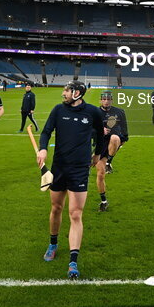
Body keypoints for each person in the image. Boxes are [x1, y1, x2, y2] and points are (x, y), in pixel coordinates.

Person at [37, 81, 104, 279]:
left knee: (75, 214)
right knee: (56, 208)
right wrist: (42, 148)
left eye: (67, 90)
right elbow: (46, 131)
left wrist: (97, 154)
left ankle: (73, 262)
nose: (63, 94)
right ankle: (53, 243)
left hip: (80, 169)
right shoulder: (58, 110)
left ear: (77, 93)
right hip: (59, 168)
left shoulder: (92, 112)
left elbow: (100, 135)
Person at [96, 90, 129, 212]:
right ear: (100, 100)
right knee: (100, 174)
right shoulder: (95, 112)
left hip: (113, 142)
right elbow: (88, 129)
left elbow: (125, 129)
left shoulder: (119, 112)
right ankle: (104, 201)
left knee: (115, 138)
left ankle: (109, 162)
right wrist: (100, 131)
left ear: (111, 100)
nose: (106, 101)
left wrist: (124, 139)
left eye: (108, 99)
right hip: (99, 144)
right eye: (104, 99)